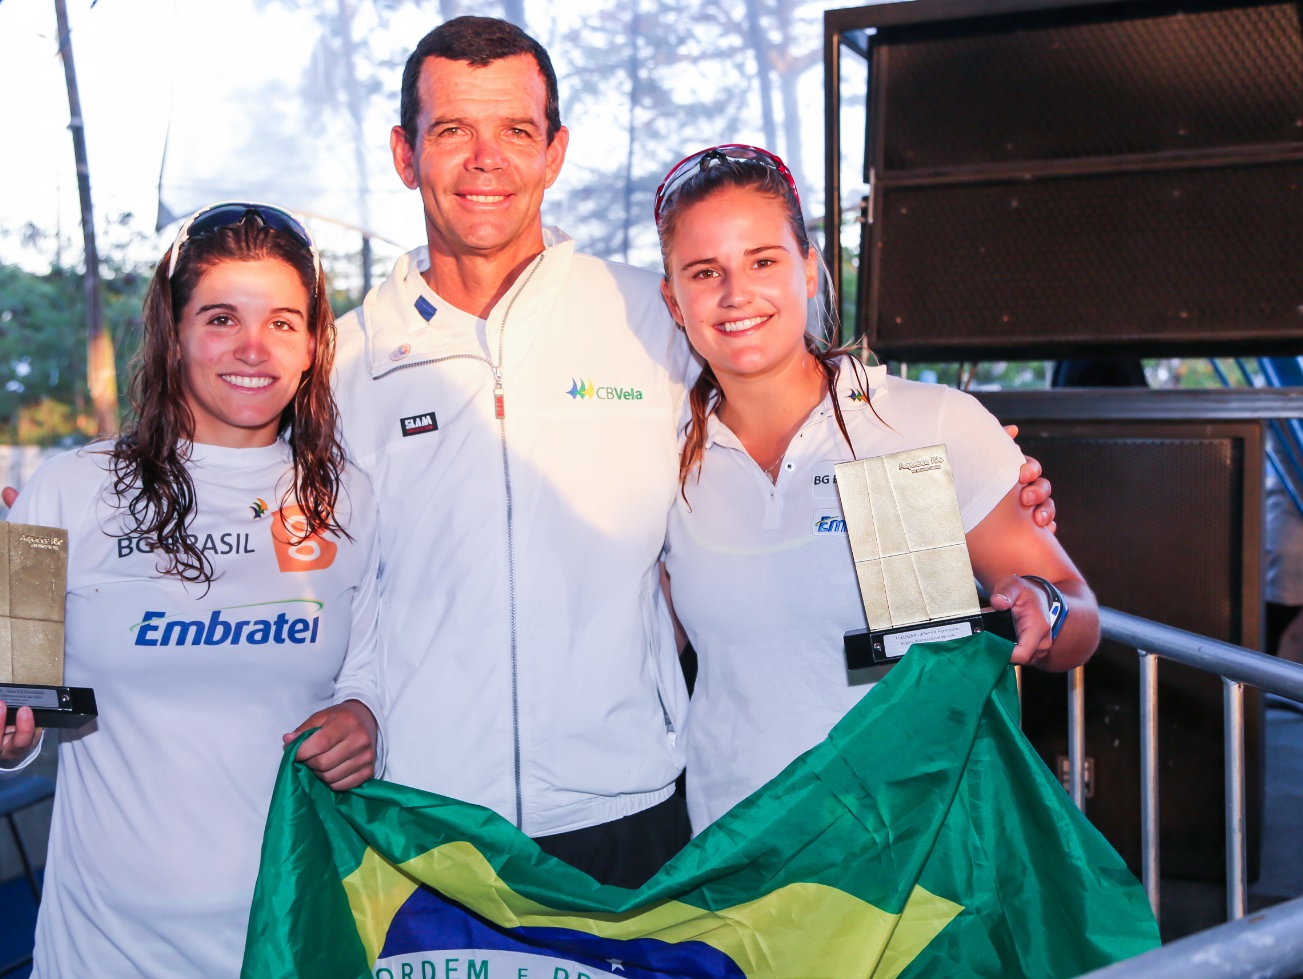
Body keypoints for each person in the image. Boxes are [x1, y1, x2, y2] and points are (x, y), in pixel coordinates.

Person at [330, 17, 1057, 886]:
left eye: (516, 131)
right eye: (452, 129)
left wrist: (968, 465)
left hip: (630, 806)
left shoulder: (650, 313)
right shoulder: (341, 363)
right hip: (424, 810)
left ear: (554, 152)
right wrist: (357, 700)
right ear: (404, 153)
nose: (486, 159)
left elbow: (795, 385)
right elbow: (322, 575)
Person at [0, 203, 383, 977]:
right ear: (173, 335)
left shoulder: (350, 497)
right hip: (107, 942)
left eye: (281, 322)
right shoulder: (60, 487)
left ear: (312, 345)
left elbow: (368, 669)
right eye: (220, 318)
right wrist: (1, 735)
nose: (252, 347)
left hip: (292, 924)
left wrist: (362, 715)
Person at [652, 145, 1100, 833]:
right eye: (705, 271)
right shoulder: (663, 458)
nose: (736, 293)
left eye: (762, 261)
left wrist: (1044, 609)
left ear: (808, 270)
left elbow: (1077, 615)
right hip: (739, 851)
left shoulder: (922, 424)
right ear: (672, 301)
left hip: (916, 846)